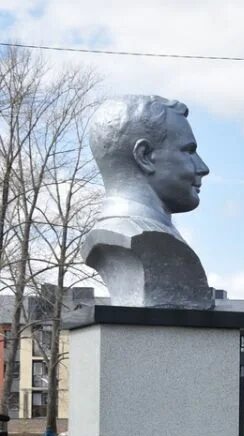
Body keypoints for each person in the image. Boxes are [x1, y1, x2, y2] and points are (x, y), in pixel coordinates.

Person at [83, 95, 213, 309]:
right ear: (144, 156)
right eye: (188, 151)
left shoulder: (158, 236)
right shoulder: (146, 239)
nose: (202, 167)